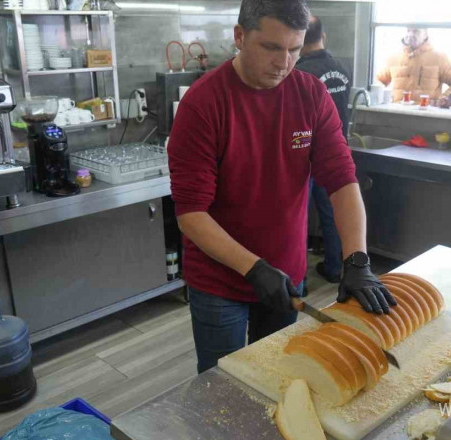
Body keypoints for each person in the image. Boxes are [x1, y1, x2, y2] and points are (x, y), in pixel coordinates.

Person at [168, 0, 395, 374]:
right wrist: (253, 267)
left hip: (287, 274)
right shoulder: (204, 104)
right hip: (220, 281)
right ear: (240, 36)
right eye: (271, 48)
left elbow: (341, 180)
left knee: (276, 377)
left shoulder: (310, 94)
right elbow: (191, 214)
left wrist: (357, 259)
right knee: (221, 383)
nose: (284, 63)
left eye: (294, 49)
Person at [294, 15, 350, 285]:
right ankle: (334, 268)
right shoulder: (340, 67)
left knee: (297, 217)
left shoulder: (300, 73)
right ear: (323, 37)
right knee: (333, 213)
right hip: (334, 152)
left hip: (305, 156)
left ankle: (298, 281)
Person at [376, 28, 451, 103]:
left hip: (427, 116)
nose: (410, 34)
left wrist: (445, 98)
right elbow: (378, 82)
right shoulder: (394, 58)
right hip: (396, 115)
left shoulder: (439, 58)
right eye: (408, 30)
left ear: (425, 34)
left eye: (416, 31)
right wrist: (384, 99)